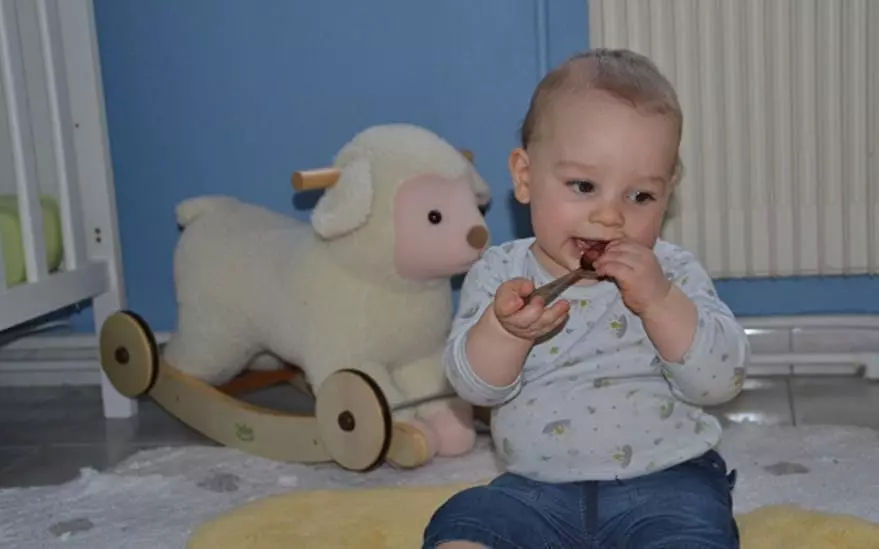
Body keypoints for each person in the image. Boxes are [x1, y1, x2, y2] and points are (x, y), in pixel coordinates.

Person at [422, 48, 749, 549]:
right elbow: (475, 388)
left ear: (668, 193)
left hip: (668, 484)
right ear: (526, 178)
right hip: (535, 492)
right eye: (584, 186)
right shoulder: (502, 273)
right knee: (466, 522)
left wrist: (660, 302)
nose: (611, 216)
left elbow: (720, 381)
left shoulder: (673, 272)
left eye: (639, 196)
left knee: (695, 532)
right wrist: (505, 332)